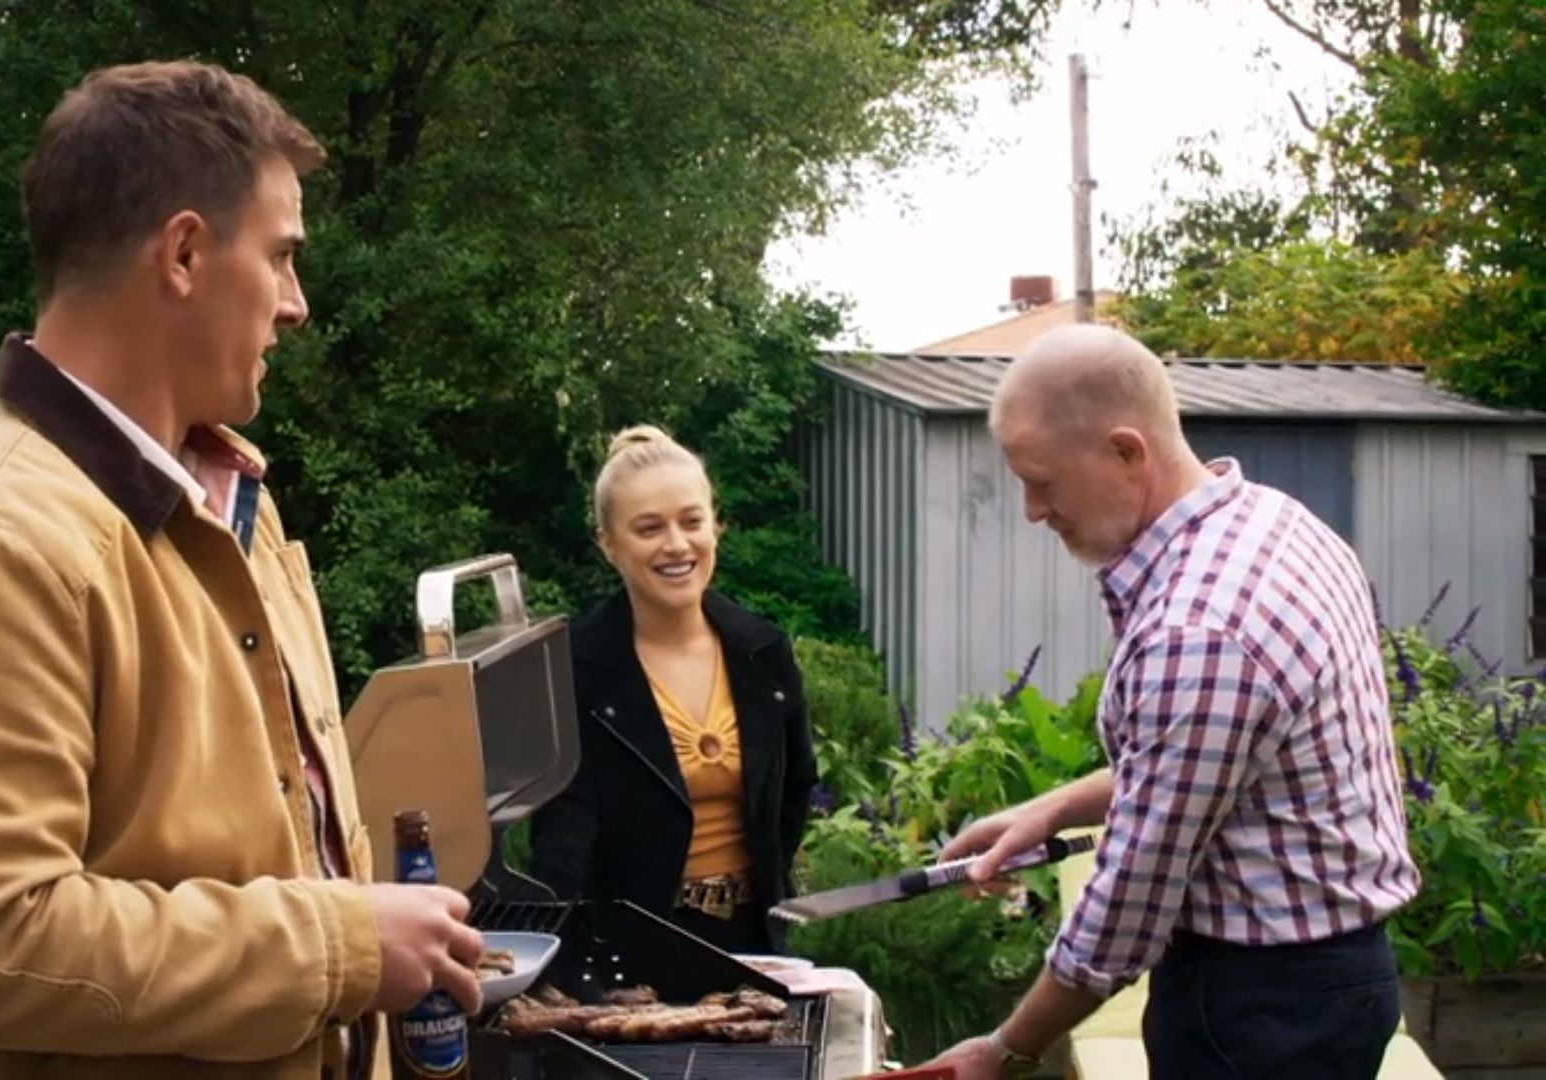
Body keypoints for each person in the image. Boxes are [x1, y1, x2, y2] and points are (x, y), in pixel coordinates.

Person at [0, 60, 483, 1080]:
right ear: (183, 253)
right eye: (281, 256)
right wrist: (343, 945)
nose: (298, 305)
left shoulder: (230, 502)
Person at [923, 324, 1421, 1079]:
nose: (1032, 510)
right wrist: (1052, 809)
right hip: (1322, 989)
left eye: (1044, 483)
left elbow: (1128, 907)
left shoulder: (1202, 630)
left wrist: (1005, 1050)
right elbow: (1212, 768)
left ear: (1126, 451)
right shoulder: (1273, 522)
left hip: (1263, 1016)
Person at [529, 425, 819, 956]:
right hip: (631, 958)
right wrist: (559, 960)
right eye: (649, 529)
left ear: (716, 527)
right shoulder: (575, 668)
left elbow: (795, 789)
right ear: (608, 544)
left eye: (692, 521)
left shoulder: (763, 652)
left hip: (754, 947)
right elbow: (564, 836)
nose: (677, 545)